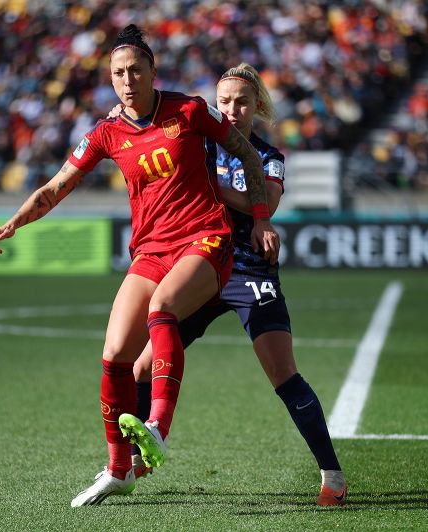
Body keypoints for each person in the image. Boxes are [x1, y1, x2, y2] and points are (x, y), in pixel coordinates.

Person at [0, 26, 279, 507]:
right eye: (118, 73)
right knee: (115, 353)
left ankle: (157, 427)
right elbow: (56, 187)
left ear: (152, 72)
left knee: (161, 309)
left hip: (206, 237)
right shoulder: (107, 132)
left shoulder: (189, 110)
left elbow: (246, 152)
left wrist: (261, 217)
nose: (126, 80)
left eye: (135, 70)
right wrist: (13, 223)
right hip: (150, 250)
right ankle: (119, 469)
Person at [128, 63, 347, 506]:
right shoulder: (197, 144)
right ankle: (139, 456)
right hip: (201, 267)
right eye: (223, 101)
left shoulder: (269, 158)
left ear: (257, 106)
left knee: (284, 376)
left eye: (241, 101)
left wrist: (210, 185)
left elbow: (260, 200)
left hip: (250, 272)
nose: (231, 110)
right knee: (140, 368)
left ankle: (332, 475)